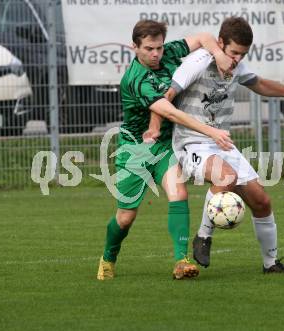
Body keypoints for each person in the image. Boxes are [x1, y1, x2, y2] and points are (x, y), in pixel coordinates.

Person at [145, 17, 284, 274]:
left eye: (242, 54)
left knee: (262, 201)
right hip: (191, 142)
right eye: (234, 52)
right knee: (226, 177)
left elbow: (259, 84)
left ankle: (270, 264)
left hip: (221, 143)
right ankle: (203, 237)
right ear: (220, 43)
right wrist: (155, 127)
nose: (237, 59)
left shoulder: (236, 66)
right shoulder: (198, 63)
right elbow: (165, 97)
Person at [97, 20, 235, 281]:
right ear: (134, 47)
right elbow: (170, 112)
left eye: (159, 47)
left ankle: (181, 261)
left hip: (162, 146)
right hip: (134, 150)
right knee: (126, 218)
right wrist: (212, 132)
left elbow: (204, 37)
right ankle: (108, 256)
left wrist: (218, 54)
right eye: (149, 48)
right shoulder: (135, 80)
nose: (156, 54)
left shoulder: (169, 51)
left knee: (179, 192)